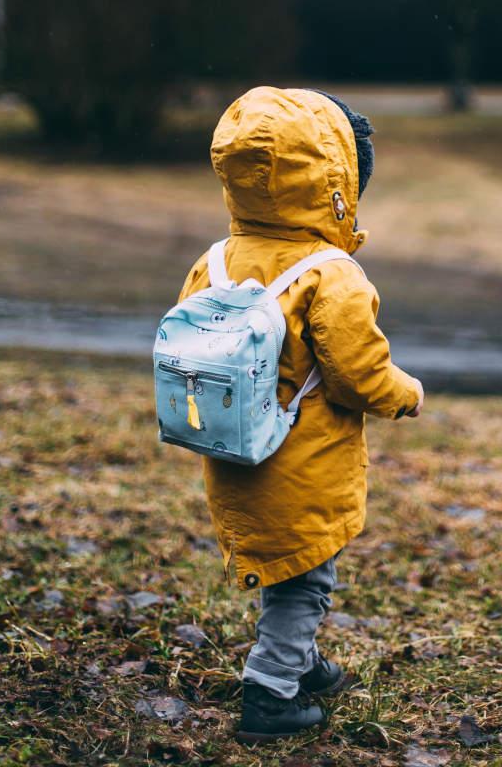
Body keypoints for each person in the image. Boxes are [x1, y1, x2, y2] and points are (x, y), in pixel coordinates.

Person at [177, 86, 424, 743]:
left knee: (290, 568)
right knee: (306, 579)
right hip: (303, 463)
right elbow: (357, 372)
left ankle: (302, 661)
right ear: (336, 184)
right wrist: (405, 393)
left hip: (234, 455)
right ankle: (272, 691)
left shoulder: (216, 262)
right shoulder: (329, 273)